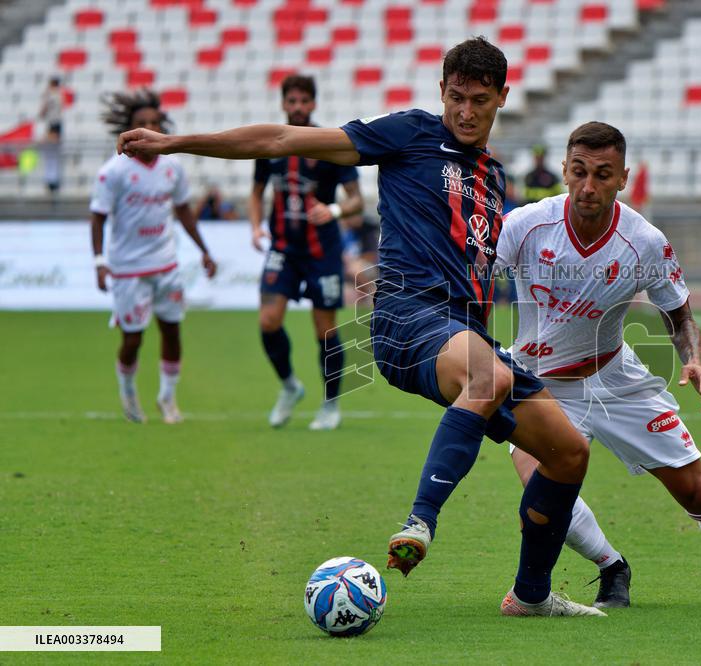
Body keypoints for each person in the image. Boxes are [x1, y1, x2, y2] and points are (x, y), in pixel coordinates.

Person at [117, 37, 603, 617]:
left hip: (465, 333)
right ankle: (420, 522)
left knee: (569, 452)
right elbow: (280, 140)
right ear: (441, 91)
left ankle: (530, 596)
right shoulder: (409, 134)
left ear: (502, 96)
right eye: (455, 97)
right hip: (405, 318)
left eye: (479, 100)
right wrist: (174, 143)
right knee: (488, 376)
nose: (465, 111)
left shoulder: (494, 177)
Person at [496, 122, 701, 606]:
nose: (588, 186)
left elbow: (679, 315)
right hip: (538, 386)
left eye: (603, 174)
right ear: (564, 170)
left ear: (623, 178)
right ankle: (611, 567)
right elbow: (470, 279)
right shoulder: (526, 226)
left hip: (614, 378)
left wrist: (694, 359)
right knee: (542, 495)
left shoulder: (644, 241)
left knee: (695, 490)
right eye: (579, 172)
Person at [90, 88, 217, 424]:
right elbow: (98, 217)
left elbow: (184, 211)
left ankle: (168, 397)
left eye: (155, 122)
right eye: (141, 123)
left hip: (166, 264)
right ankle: (128, 391)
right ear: (130, 130)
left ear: (162, 127)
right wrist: (99, 263)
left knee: (172, 331)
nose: (149, 128)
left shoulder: (173, 167)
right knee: (133, 339)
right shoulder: (113, 171)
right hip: (128, 269)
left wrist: (204, 250)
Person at [249, 74, 364, 430]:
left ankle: (330, 405)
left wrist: (333, 210)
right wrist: (255, 226)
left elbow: (356, 201)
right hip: (283, 248)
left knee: (324, 329)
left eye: (303, 101)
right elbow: (256, 192)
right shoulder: (270, 145)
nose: (298, 107)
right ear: (283, 104)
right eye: (292, 101)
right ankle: (289, 387)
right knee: (268, 321)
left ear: (313, 104)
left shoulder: (330, 144)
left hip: (321, 250)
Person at [38, 77, 64, 195]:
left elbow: (43, 111)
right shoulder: (59, 95)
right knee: (52, 156)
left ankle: (52, 183)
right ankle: (52, 183)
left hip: (54, 124)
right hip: (55, 125)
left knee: (51, 155)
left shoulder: (52, 96)